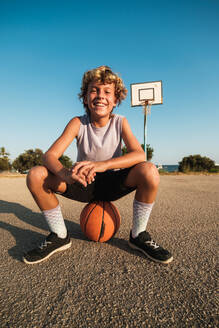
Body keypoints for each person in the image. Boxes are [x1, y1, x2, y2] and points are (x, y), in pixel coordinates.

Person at [23, 65, 173, 265]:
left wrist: (103, 165)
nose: (100, 95)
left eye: (107, 92)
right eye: (94, 90)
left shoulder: (120, 122)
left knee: (149, 171)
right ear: (85, 98)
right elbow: (50, 155)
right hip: (83, 182)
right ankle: (59, 235)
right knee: (35, 175)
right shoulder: (78, 122)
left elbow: (139, 154)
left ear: (115, 100)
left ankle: (138, 235)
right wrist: (65, 174)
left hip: (112, 183)